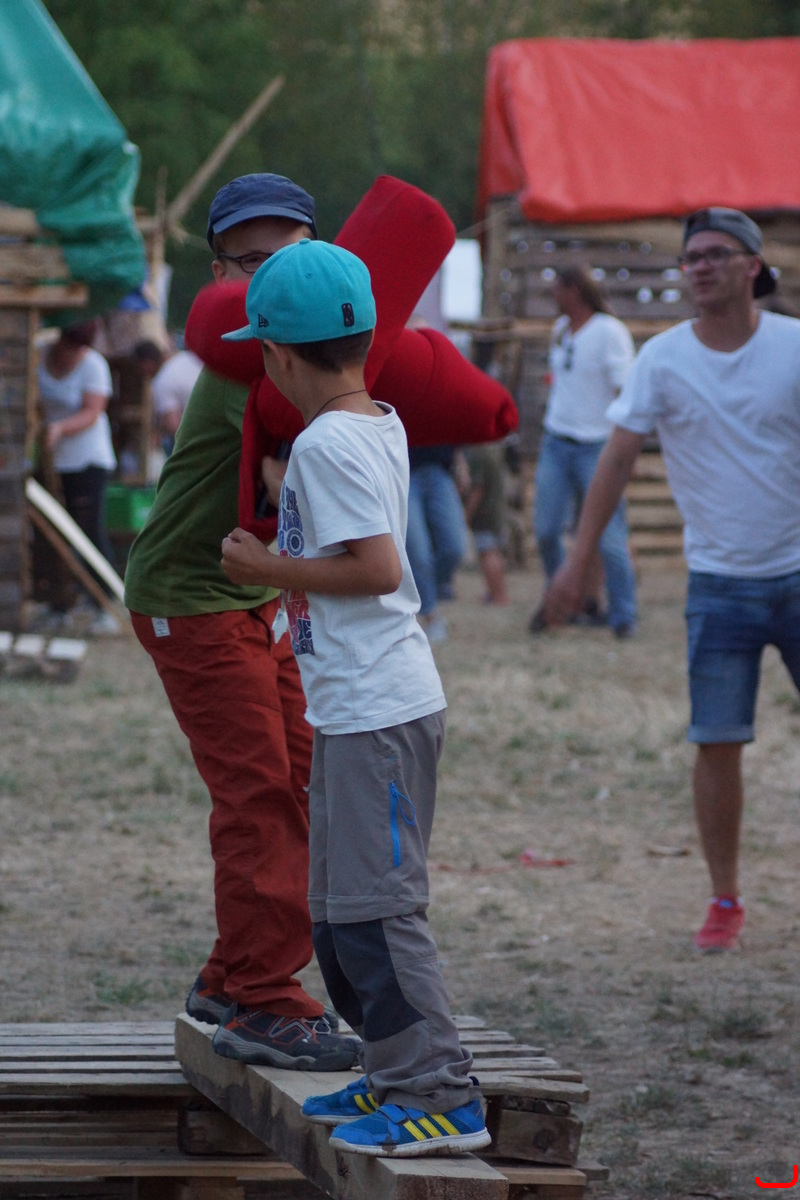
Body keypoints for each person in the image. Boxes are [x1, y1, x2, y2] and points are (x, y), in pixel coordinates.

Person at [220, 239, 491, 1157]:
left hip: (379, 711)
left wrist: (267, 567)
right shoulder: (373, 420)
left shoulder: (329, 442)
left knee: (379, 914)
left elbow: (376, 569)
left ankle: (440, 1096)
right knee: (338, 919)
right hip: (352, 709)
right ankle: (392, 1069)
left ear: (277, 356)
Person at [125, 173, 360, 1070]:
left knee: (301, 776)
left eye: (288, 254)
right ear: (220, 273)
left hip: (255, 594)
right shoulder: (247, 363)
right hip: (190, 597)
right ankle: (263, 999)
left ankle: (231, 975)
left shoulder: (299, 352)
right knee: (258, 790)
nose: (270, 274)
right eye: (249, 260)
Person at [542, 207, 800, 953]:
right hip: (717, 585)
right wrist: (577, 562)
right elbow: (615, 460)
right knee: (716, 742)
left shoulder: (792, 346)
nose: (701, 266)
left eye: (717, 253)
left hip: (797, 571)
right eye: (692, 257)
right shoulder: (662, 359)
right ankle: (725, 898)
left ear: (753, 267)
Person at [531, 266, 638, 638]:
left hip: (597, 444)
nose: (553, 296)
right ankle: (565, 599)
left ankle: (623, 615)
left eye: (557, 288)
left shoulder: (610, 332)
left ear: (574, 290)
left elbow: (625, 390)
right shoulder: (561, 330)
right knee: (546, 528)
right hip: (557, 440)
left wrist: (623, 447)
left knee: (609, 534)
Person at [37, 320, 121, 636]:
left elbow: (92, 411)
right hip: (49, 461)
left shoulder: (94, 366)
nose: (71, 353)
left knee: (88, 532)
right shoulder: (39, 352)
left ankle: (103, 603)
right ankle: (58, 603)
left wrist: (59, 428)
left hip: (87, 459)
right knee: (49, 533)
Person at [405, 445, 469, 644]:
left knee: (455, 548)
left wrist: (461, 462)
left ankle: (422, 595)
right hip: (404, 471)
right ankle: (430, 614)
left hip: (440, 469)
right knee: (417, 555)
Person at [462, 442, 510, 605]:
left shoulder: (478, 454)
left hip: (485, 514)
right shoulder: (492, 451)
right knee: (495, 553)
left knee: (487, 553)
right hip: (497, 512)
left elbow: (478, 488)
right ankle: (497, 592)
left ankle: (497, 595)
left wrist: (466, 515)